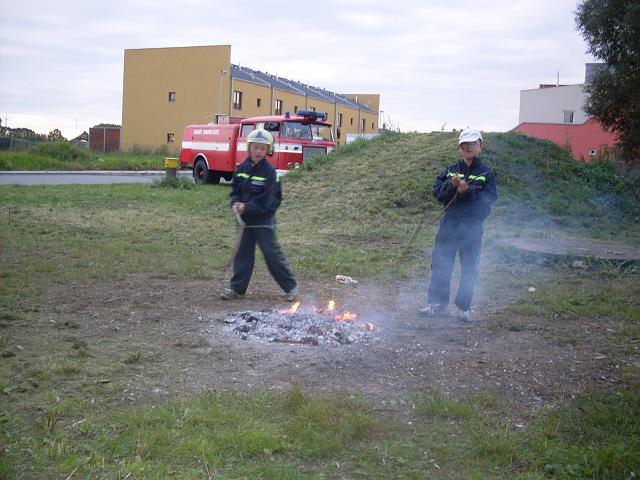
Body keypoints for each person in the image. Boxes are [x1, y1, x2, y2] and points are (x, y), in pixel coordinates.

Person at [420, 128, 497, 322]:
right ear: (459, 148)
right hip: (449, 225)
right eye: (465, 144)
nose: (468, 147)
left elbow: (488, 199)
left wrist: (468, 191)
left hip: (472, 227)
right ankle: (437, 304)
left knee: (469, 268)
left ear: (480, 146)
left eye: (473, 143)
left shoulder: (486, 172)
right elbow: (438, 193)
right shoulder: (450, 170)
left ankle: (464, 308)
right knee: (441, 264)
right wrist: (451, 186)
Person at [220, 128, 298, 301]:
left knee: (271, 254)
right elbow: (235, 191)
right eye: (255, 147)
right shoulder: (241, 169)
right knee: (243, 255)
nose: (258, 151)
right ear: (249, 148)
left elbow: (267, 201)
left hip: (263, 221)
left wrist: (245, 207)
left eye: (262, 148)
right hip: (245, 222)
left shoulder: (270, 173)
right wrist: (235, 203)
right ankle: (237, 288)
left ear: (268, 150)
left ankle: (291, 287)